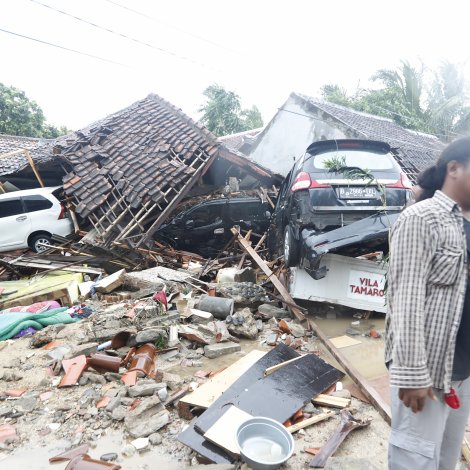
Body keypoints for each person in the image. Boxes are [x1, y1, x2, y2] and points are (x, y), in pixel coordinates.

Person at [385, 136, 470, 470]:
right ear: (454, 169)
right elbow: (404, 300)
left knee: (446, 456)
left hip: (462, 371)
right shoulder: (421, 219)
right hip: (427, 371)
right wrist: (411, 373)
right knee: (415, 458)